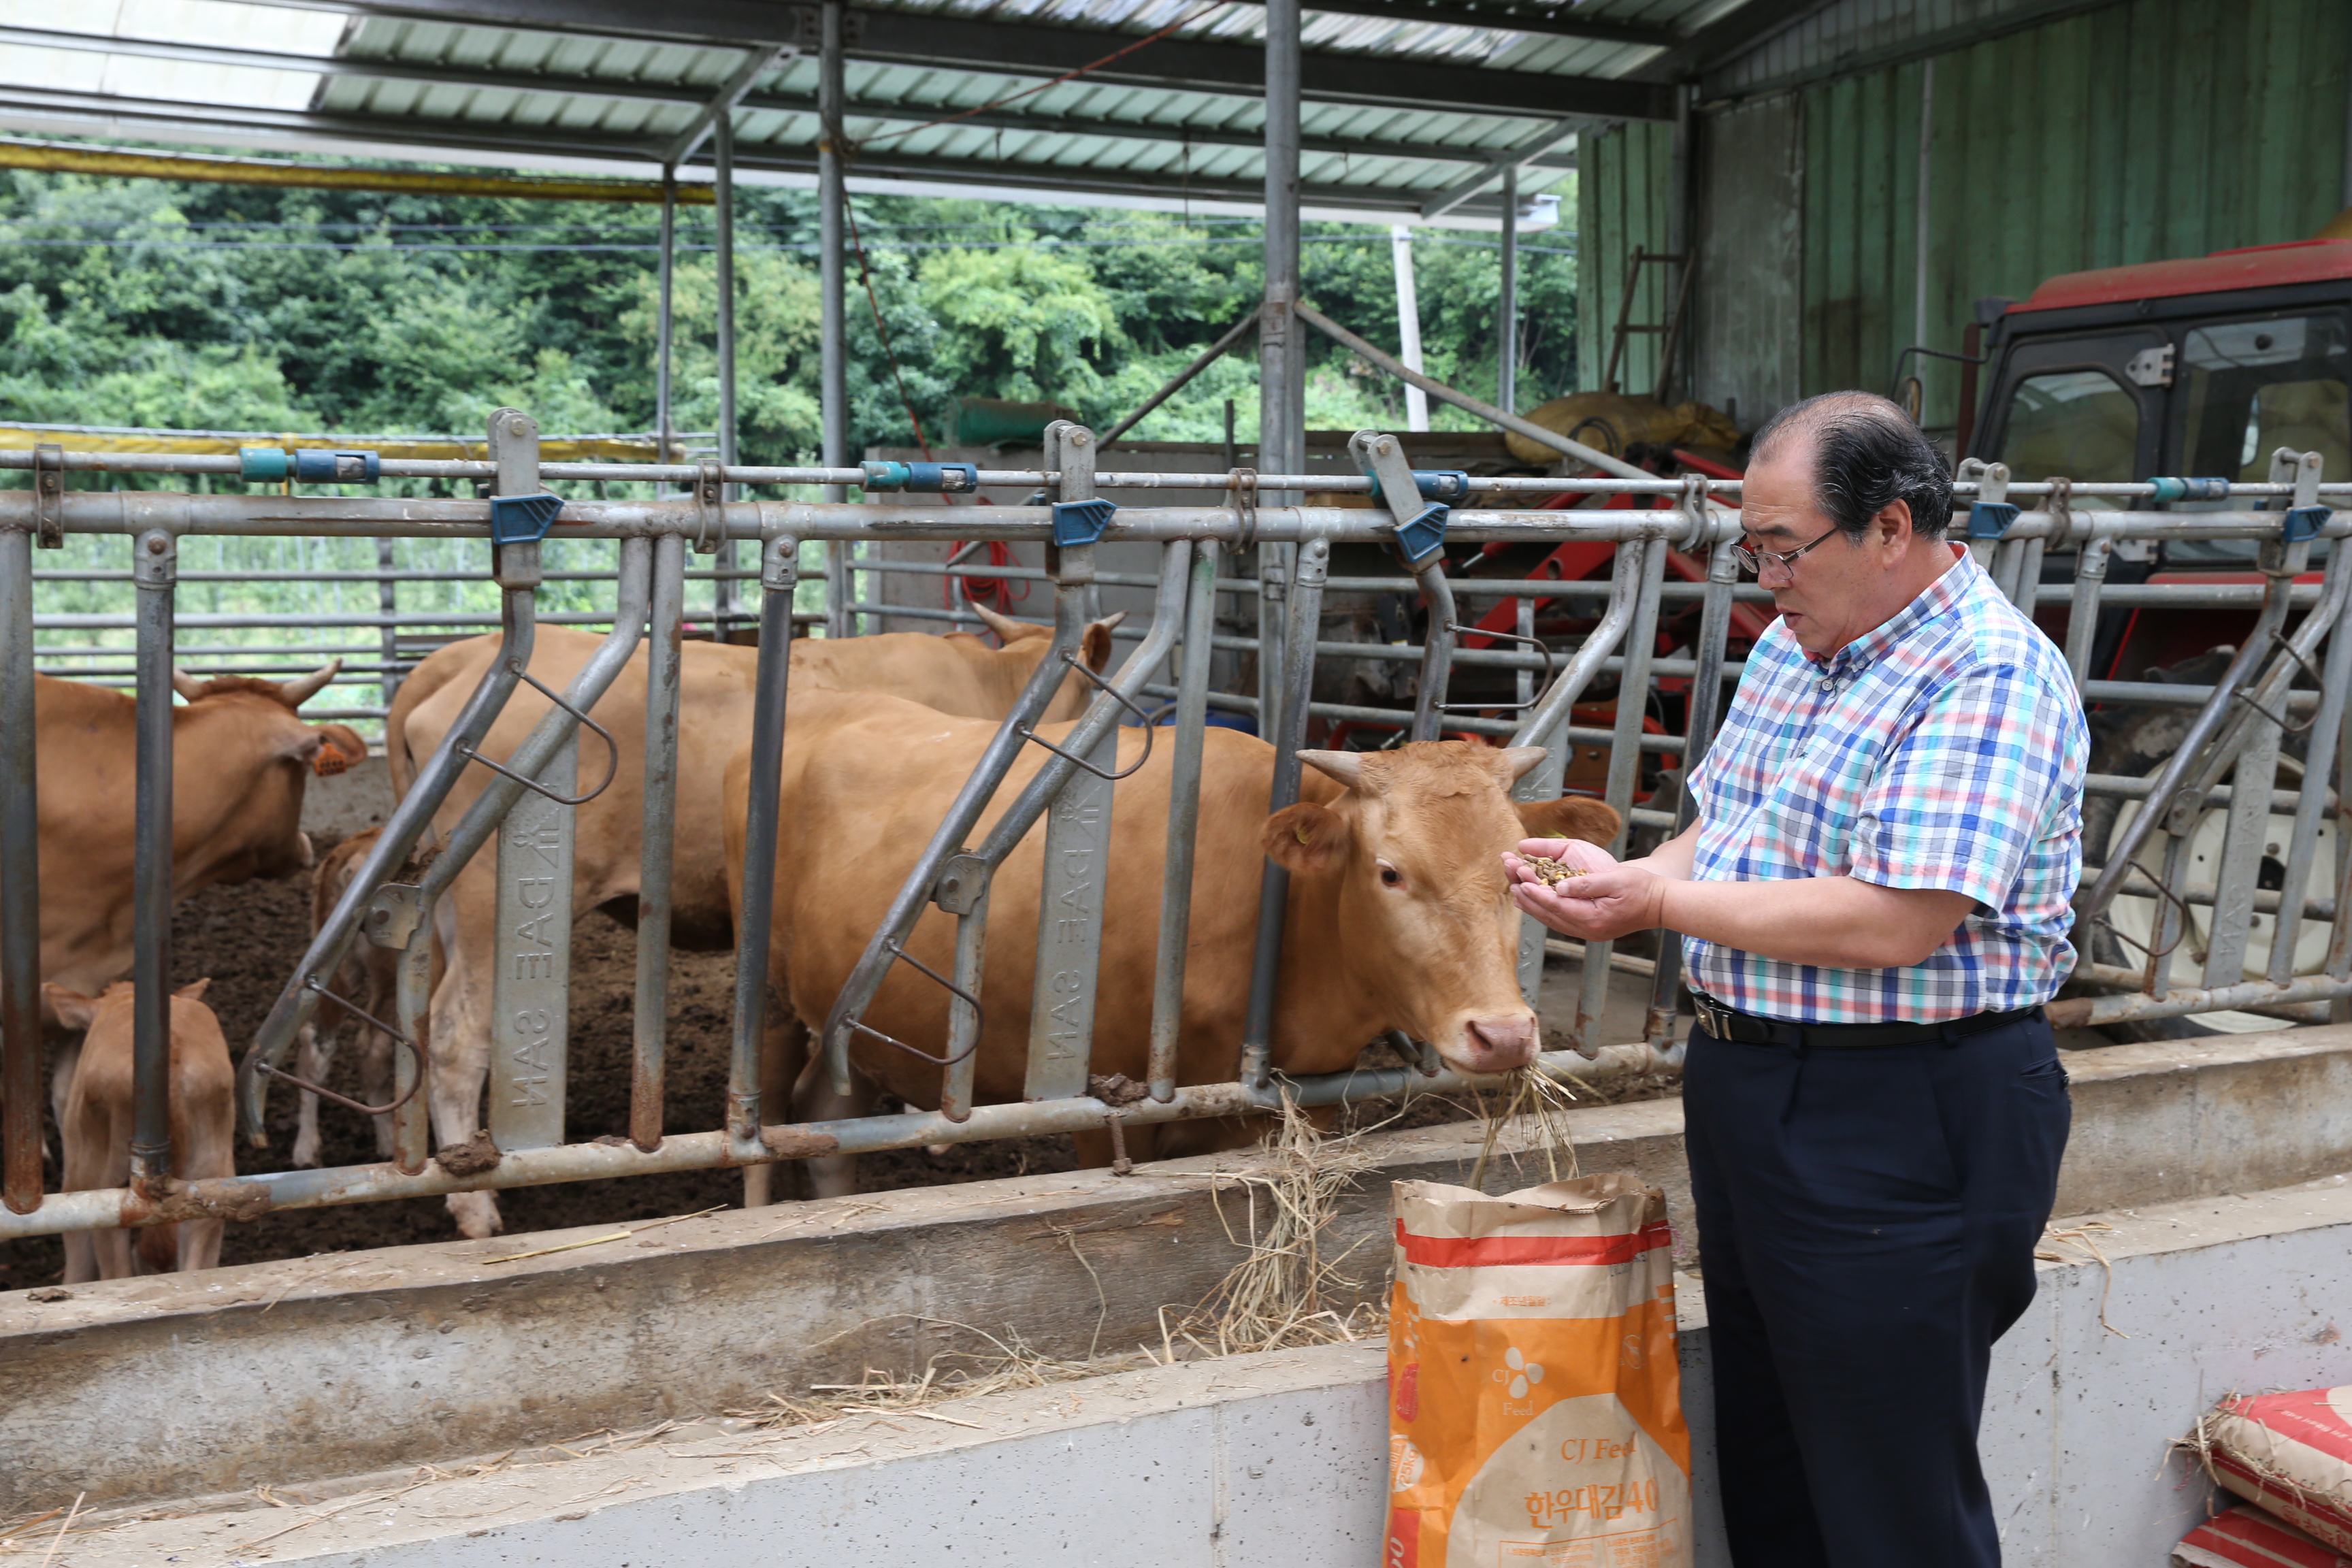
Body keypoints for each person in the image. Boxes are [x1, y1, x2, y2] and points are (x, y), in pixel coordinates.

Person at [1507, 391, 2086, 1568]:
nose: (1765, 577)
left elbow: (1895, 920)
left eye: (1784, 547)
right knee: (1773, 1464)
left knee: (1888, 1495)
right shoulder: (1795, 643)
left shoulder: (1985, 673)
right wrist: (1636, 874)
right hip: (1751, 1078)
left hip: (1903, 1108)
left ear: (1891, 527)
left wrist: (1656, 905)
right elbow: (1725, 833)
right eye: (1750, 547)